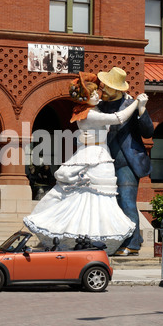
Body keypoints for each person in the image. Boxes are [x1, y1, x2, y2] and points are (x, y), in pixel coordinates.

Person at [23, 72, 148, 255]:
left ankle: (108, 239)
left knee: (97, 198)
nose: (99, 94)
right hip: (95, 157)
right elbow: (118, 118)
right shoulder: (89, 113)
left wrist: (131, 101)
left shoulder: (94, 109)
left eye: (99, 91)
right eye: (94, 94)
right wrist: (137, 102)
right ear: (86, 99)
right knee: (92, 196)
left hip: (101, 155)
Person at [97, 67, 154, 256]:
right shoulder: (100, 106)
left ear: (117, 89)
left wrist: (142, 109)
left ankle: (132, 244)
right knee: (109, 203)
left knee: (126, 201)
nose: (102, 88)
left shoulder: (130, 104)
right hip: (105, 162)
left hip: (126, 163)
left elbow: (148, 132)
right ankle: (118, 240)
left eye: (107, 86)